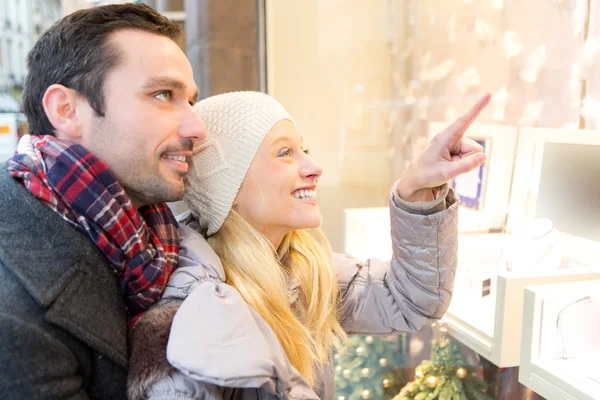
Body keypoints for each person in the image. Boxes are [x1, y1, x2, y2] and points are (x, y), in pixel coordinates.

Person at [128, 91, 491, 399]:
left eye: (304, 150)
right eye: (285, 153)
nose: (314, 167)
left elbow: (412, 300)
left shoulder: (303, 267)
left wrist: (416, 192)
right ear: (228, 188)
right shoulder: (190, 310)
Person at [0, 4, 206, 399]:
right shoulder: (15, 309)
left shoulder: (151, 244)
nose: (196, 128)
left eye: (191, 101)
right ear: (66, 110)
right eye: (163, 95)